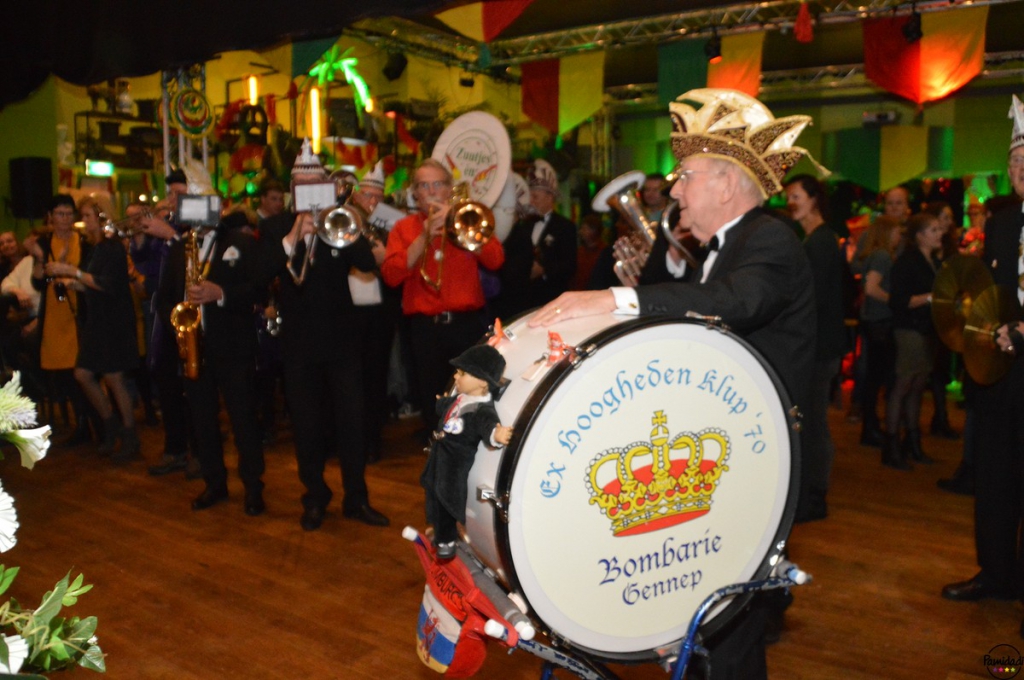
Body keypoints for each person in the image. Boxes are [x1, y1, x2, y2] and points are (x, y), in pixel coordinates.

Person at [530, 88, 819, 680]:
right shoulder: (721, 246)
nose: (676, 189)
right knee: (711, 615)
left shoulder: (770, 238)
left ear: (727, 183)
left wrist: (614, 297)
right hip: (728, 449)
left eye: (686, 176)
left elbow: (739, 301)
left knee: (729, 622)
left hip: (759, 457)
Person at [262, 144, 390, 531]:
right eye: (302, 185)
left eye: (315, 184)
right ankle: (315, 497)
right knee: (307, 426)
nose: (309, 191)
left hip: (342, 343)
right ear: (292, 189)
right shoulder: (276, 226)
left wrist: (345, 222)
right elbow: (264, 272)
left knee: (352, 422)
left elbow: (367, 264)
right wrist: (295, 235)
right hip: (299, 346)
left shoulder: (339, 222)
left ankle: (357, 499)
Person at [942, 96, 1024, 627]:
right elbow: (991, 291)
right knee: (994, 475)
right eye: (1014, 160)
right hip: (999, 372)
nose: (1020, 169)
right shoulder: (1003, 222)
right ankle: (995, 573)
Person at [152, 189, 268, 516]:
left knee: (243, 420)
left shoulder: (241, 242)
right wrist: (179, 325)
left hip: (233, 347)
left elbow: (259, 291)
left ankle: (253, 487)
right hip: (194, 347)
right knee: (202, 421)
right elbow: (164, 298)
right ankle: (214, 483)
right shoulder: (180, 249)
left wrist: (221, 294)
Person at [381, 159, 505, 431]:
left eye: (437, 184)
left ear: (450, 188)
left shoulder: (468, 218)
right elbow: (391, 276)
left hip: (466, 324)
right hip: (425, 328)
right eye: (424, 186)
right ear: (415, 193)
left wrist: (460, 227)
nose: (431, 191)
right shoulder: (404, 228)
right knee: (432, 401)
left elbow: (496, 260)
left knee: (473, 399)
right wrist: (423, 237)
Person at [45, 197, 140, 460]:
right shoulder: (96, 247)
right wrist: (71, 282)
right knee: (84, 374)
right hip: (98, 319)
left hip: (113, 320)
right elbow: (92, 283)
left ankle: (128, 434)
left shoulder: (112, 247)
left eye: (87, 216)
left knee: (113, 378)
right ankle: (112, 425)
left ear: (100, 218)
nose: (83, 221)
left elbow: (108, 284)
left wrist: (72, 272)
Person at [784, 174, 847, 522]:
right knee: (811, 420)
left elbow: (815, 300)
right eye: (789, 197)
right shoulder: (816, 239)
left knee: (815, 422)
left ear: (814, 200)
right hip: (820, 344)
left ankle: (815, 495)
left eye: (796, 196)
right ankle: (812, 492)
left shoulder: (820, 242)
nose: (791, 203)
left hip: (820, 347)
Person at [421, 344, 512, 560]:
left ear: (482, 382)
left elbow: (488, 427)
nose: (456, 376)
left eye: (462, 373)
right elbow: (447, 406)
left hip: (454, 465)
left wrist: (497, 434)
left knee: (447, 500)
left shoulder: (481, 410)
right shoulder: (462, 398)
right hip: (439, 457)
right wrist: (441, 404)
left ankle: (447, 540)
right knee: (432, 491)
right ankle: (437, 529)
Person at [24, 195, 94, 444]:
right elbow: (37, 282)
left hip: (79, 312)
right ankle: (80, 422)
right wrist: (40, 258)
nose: (64, 219)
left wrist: (67, 269)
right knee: (62, 372)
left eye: (68, 214)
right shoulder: (44, 243)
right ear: (50, 217)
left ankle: (91, 422)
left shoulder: (83, 241)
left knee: (82, 369)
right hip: (54, 313)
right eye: (60, 214)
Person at [882, 213, 943, 470]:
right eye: (934, 230)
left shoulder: (934, 261)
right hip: (909, 330)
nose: (940, 234)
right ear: (919, 236)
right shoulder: (907, 262)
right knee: (904, 384)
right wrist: (929, 297)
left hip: (926, 329)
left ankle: (912, 442)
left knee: (917, 386)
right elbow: (898, 300)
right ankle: (892, 445)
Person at [495, 159, 577, 319]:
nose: (531, 201)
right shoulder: (522, 225)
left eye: (535, 196)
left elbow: (570, 265)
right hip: (521, 303)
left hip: (550, 300)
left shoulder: (565, 227)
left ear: (550, 197)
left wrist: (544, 271)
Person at [856, 216, 902, 448]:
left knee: (872, 378)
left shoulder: (873, 254)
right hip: (879, 321)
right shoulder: (883, 256)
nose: (899, 236)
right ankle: (870, 428)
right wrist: (893, 300)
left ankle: (870, 426)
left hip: (871, 319)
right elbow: (871, 288)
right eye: (897, 232)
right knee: (876, 378)